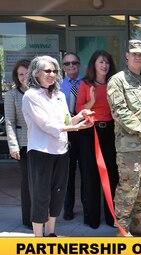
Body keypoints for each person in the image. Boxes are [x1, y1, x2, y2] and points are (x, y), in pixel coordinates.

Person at [22, 55, 94, 237]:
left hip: (61, 150)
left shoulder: (59, 95)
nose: (52, 74)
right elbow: (46, 125)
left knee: (58, 193)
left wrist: (80, 116)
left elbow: (65, 120)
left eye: (54, 71)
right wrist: (74, 128)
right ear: (36, 73)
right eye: (47, 70)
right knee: (40, 195)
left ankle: (51, 233)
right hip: (41, 152)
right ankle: (39, 238)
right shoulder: (31, 95)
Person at [107, 39, 141, 237]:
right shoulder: (117, 80)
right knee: (128, 188)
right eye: (134, 54)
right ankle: (122, 230)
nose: (138, 57)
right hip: (129, 145)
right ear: (127, 55)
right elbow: (119, 111)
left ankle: (138, 223)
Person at [75, 50, 119, 229]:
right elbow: (78, 110)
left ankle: (111, 217)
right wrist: (91, 101)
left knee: (111, 175)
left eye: (107, 62)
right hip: (89, 132)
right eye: (101, 62)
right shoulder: (85, 84)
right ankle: (92, 218)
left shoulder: (115, 84)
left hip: (110, 132)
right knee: (90, 175)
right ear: (94, 64)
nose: (104, 65)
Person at [4, 59, 32, 229]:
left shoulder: (40, 92)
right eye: (20, 74)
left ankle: (41, 215)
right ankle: (28, 218)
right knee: (28, 180)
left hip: (41, 142)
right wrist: (13, 146)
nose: (24, 77)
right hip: (23, 143)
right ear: (16, 76)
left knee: (42, 181)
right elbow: (9, 122)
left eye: (27, 73)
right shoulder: (12, 95)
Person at [60, 52, 83, 221]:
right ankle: (68, 209)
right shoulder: (58, 86)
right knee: (68, 174)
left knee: (87, 172)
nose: (71, 66)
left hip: (85, 133)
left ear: (79, 64)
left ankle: (88, 207)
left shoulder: (87, 83)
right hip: (66, 133)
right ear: (63, 67)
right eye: (67, 64)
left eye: (74, 62)